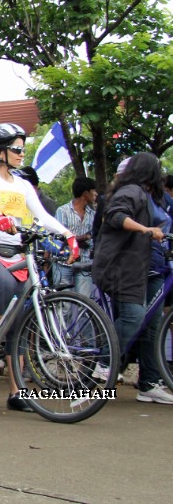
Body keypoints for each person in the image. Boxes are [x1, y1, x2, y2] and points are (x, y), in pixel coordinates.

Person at [0, 123, 77, 412]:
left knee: (18, 323)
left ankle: (17, 392)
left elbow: (41, 216)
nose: (21, 153)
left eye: (22, 148)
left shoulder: (24, 184)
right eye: (16, 148)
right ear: (0, 152)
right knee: (4, 285)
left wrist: (68, 235)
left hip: (17, 256)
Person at [92, 152, 173, 404]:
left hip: (151, 266)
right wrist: (145, 229)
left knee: (152, 326)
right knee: (133, 317)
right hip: (125, 268)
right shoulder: (131, 192)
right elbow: (116, 216)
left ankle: (149, 384)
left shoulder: (152, 197)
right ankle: (106, 362)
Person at [53, 177, 97, 297]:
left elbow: (92, 238)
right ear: (86, 193)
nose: (96, 194)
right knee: (63, 305)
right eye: (94, 190)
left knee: (85, 303)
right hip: (63, 263)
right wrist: (83, 237)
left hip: (84, 262)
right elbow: (60, 237)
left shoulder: (92, 214)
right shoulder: (62, 211)